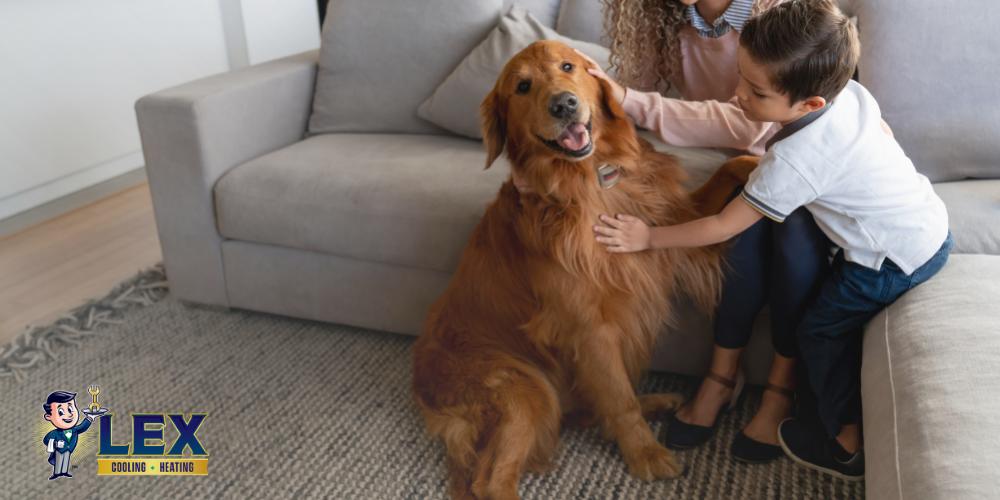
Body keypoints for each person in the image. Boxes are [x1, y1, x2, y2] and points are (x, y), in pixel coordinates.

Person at [592, 0, 951, 480]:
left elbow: (721, 227)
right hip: (927, 224)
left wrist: (648, 236)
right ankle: (745, 386)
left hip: (891, 258)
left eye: (755, 92)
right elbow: (876, 132)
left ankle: (844, 439)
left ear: (809, 105)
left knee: (821, 330)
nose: (737, 96)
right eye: (740, 78)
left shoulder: (794, 162)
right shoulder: (851, 95)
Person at [578, 0, 835, 463]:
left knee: (790, 230)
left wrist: (631, 100)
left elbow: (750, 122)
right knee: (743, 231)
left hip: (803, 165)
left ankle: (780, 388)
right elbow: (627, 105)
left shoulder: (781, 15)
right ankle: (721, 375)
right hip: (738, 166)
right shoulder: (659, 20)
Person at [42, 390, 96, 480]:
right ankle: (57, 473)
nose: (69, 415)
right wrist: (55, 443)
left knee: (65, 460)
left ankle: (64, 471)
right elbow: (46, 439)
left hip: (68, 450)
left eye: (70, 409)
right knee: (59, 461)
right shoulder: (54, 433)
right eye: (61, 412)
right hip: (59, 450)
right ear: (49, 416)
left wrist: (90, 417)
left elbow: (83, 427)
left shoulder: (74, 430)